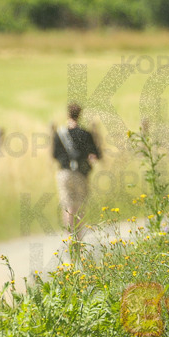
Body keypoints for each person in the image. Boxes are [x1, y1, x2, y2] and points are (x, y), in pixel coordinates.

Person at [51, 102, 101, 247]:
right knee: (79, 206)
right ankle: (78, 237)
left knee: (67, 205)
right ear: (80, 115)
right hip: (80, 174)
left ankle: (69, 238)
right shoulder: (85, 134)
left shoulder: (59, 134)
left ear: (68, 114)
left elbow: (54, 155)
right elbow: (97, 154)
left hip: (64, 174)